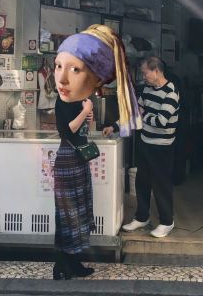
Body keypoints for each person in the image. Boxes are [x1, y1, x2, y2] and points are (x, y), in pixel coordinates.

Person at [52, 25, 141, 280]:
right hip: (67, 162)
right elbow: (66, 130)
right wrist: (84, 112)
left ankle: (73, 264)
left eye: (74, 69)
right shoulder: (64, 101)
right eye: (59, 66)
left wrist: (88, 117)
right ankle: (62, 266)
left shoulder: (79, 100)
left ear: (95, 79)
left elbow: (81, 131)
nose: (62, 79)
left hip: (78, 162)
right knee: (67, 216)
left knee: (78, 214)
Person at [103, 56, 180, 238]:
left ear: (156, 71)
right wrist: (114, 126)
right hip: (145, 142)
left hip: (162, 147)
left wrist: (143, 115)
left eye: (145, 73)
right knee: (142, 182)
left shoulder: (171, 93)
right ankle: (142, 217)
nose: (143, 77)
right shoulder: (147, 89)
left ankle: (167, 222)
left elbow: (160, 122)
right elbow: (134, 113)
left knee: (161, 185)